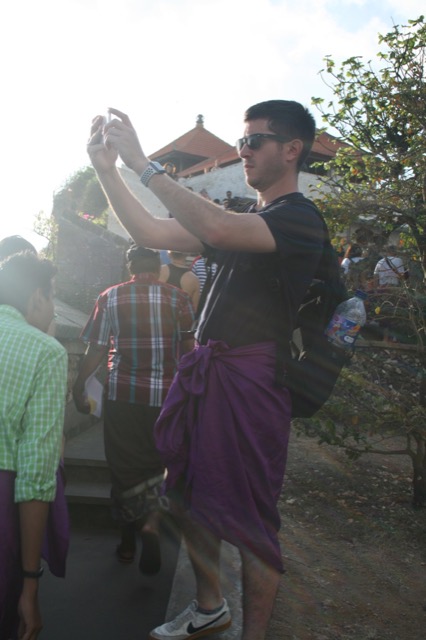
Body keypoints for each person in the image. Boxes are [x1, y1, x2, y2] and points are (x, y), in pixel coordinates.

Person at [87, 100, 325, 640]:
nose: (243, 151)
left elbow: (216, 229)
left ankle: (254, 634)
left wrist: (145, 165)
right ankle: (210, 606)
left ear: (291, 150)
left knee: (254, 518)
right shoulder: (248, 216)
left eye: (254, 141)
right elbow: (150, 230)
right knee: (189, 493)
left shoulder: (299, 221)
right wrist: (107, 170)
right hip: (210, 372)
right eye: (241, 141)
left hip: (253, 381)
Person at [72, 245, 194, 574]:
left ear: (130, 267)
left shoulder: (110, 297)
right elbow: (188, 350)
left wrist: (79, 383)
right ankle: (152, 523)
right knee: (158, 463)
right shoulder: (178, 298)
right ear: (159, 267)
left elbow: (97, 347)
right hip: (166, 399)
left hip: (122, 397)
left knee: (123, 468)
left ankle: (126, 542)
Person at [0, 252, 68, 640]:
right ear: (37, 298)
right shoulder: (45, 352)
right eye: (53, 296)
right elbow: (36, 477)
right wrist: (30, 581)